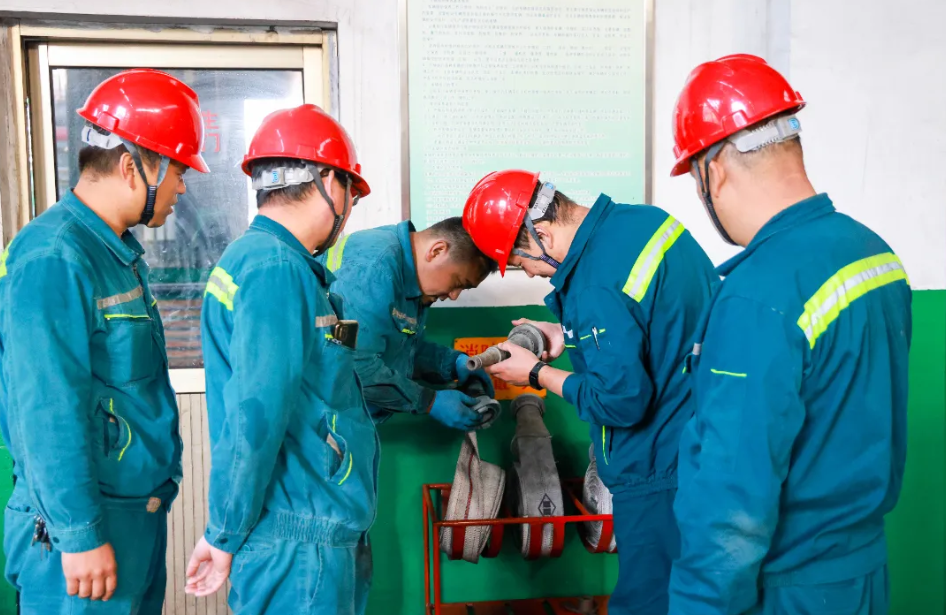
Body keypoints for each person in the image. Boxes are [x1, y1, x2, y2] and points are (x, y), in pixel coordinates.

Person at [667, 54, 912, 614]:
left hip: (787, 591)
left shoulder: (758, 296)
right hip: (862, 577)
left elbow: (731, 505)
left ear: (713, 171)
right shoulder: (874, 254)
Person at [461, 171, 717, 615]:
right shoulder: (644, 222)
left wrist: (536, 372)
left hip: (659, 469)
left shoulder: (594, 284)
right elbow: (651, 326)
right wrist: (566, 332)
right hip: (705, 448)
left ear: (541, 235)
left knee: (648, 604)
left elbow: (620, 401)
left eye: (521, 262)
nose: (531, 272)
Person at [0, 69, 208, 613]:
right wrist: (79, 533)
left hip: (132, 518)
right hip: (81, 535)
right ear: (132, 166)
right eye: (178, 170)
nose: (183, 187)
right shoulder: (54, 256)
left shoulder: (115, 253)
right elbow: (45, 408)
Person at [184, 104, 379, 615]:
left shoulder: (267, 262)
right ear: (330, 182)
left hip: (307, 533)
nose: (350, 209)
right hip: (300, 542)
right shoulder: (276, 270)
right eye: (353, 193)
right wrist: (224, 532)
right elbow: (256, 415)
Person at [318, 217, 497, 431]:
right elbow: (353, 364)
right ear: (437, 251)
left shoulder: (413, 279)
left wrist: (453, 364)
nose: (454, 295)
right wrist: (428, 401)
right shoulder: (372, 270)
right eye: (458, 283)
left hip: (346, 418)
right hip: (321, 421)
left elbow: (399, 350)